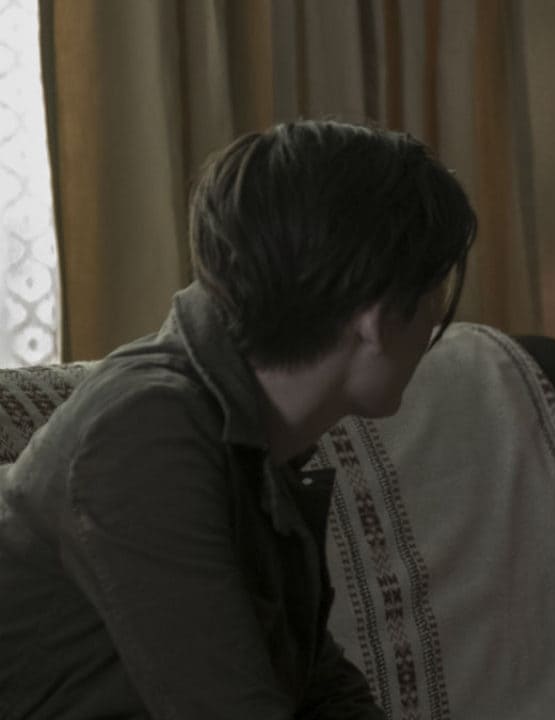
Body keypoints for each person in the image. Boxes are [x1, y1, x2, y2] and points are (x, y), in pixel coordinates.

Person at [0, 120, 474, 719]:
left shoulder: (247, 430)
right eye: (434, 291)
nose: (434, 322)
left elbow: (316, 688)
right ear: (376, 319)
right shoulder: (143, 435)